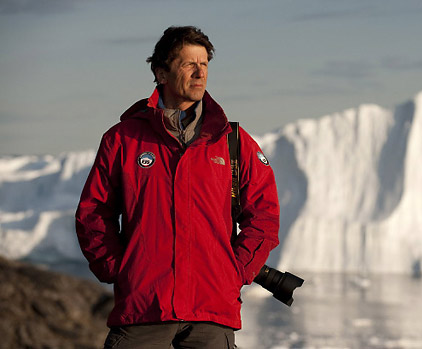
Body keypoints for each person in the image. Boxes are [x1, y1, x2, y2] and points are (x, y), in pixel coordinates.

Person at [75, 26, 280, 349]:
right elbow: (94, 211)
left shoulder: (233, 143)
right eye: (188, 64)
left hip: (211, 313)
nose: (200, 73)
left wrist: (235, 270)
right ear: (161, 73)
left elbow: (264, 215)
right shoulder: (123, 139)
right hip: (144, 308)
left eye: (205, 64)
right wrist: (117, 267)